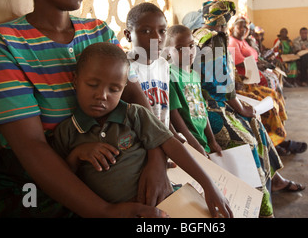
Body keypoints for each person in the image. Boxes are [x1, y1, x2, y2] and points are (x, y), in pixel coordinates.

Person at [0, 0, 171, 218]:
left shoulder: (98, 32)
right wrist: (104, 210)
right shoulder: (1, 42)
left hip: (110, 171)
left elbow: (136, 102)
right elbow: (30, 146)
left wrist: (156, 161)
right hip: (37, 185)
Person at [51, 42, 233, 218]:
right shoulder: (68, 131)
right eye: (92, 85)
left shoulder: (134, 114)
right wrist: (77, 154)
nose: (102, 95)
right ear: (75, 81)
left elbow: (172, 145)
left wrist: (209, 185)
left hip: (164, 204)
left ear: (123, 89)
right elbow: (64, 179)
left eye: (114, 89)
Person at [188, 1, 305, 218]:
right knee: (248, 139)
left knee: (256, 123)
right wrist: (241, 107)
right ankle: (258, 207)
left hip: (208, 102)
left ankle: (275, 182)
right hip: (211, 108)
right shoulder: (214, 40)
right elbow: (222, 85)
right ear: (226, 20)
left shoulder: (198, 35)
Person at [228, 17, 307, 155]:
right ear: (232, 28)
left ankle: (278, 139)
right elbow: (241, 65)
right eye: (240, 27)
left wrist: (264, 64)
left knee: (273, 96)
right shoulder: (231, 42)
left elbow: (254, 58)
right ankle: (276, 144)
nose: (243, 30)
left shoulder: (243, 41)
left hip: (249, 80)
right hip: (243, 83)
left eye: (245, 28)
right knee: (266, 104)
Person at [165, 24, 222, 157]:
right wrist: (195, 145)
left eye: (191, 46)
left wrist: (212, 140)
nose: (188, 52)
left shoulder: (194, 75)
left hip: (202, 140)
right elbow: (175, 117)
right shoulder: (170, 75)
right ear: (168, 51)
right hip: (189, 143)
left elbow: (202, 109)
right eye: (179, 49)